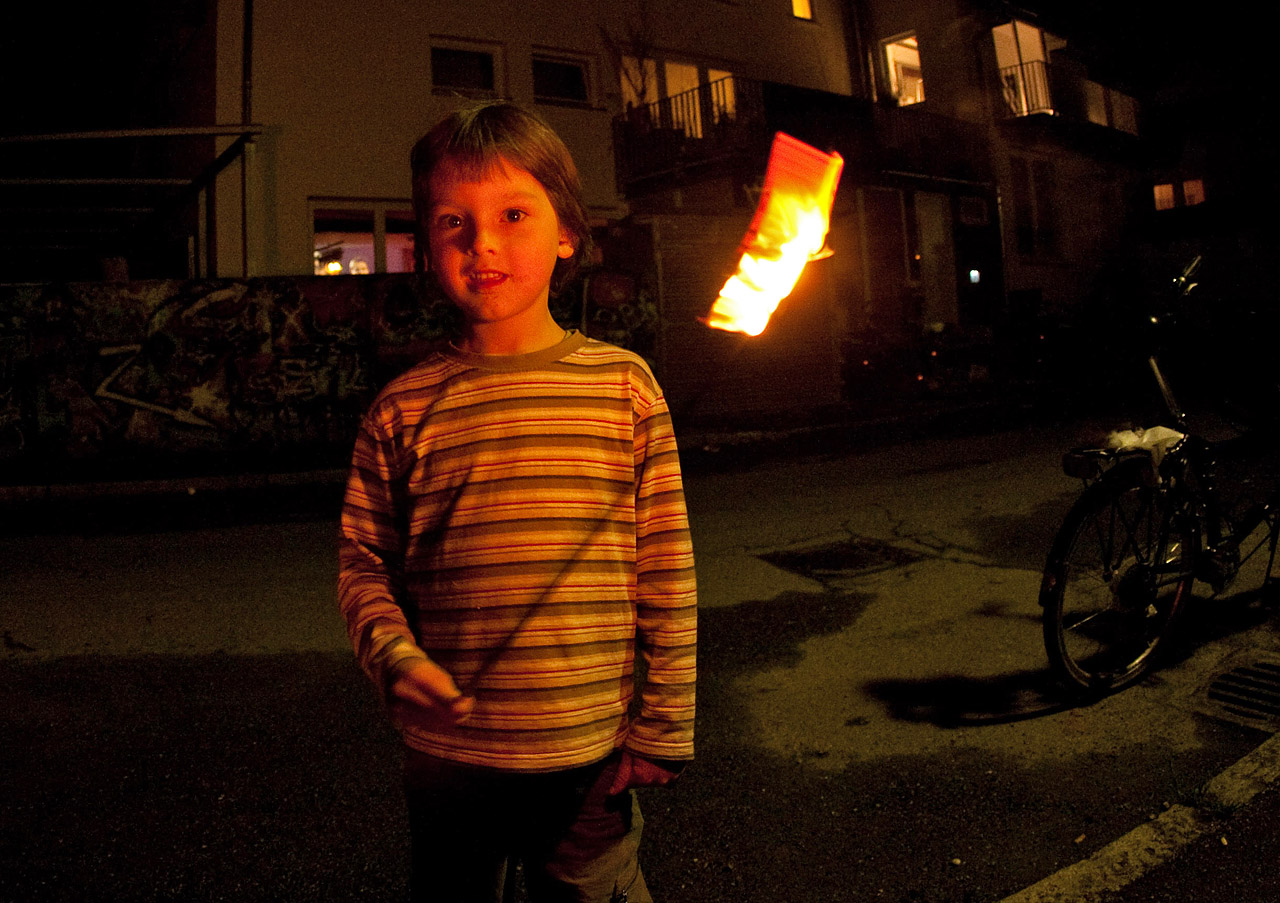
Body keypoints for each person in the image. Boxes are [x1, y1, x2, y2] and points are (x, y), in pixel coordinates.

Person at [337, 101, 697, 903]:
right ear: (426, 243)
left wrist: (666, 719)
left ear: (566, 230)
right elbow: (364, 564)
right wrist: (392, 653)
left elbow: (667, 570)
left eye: (512, 214)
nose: (483, 242)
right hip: (449, 760)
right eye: (453, 221)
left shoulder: (624, 388)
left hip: (587, 753)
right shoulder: (401, 410)